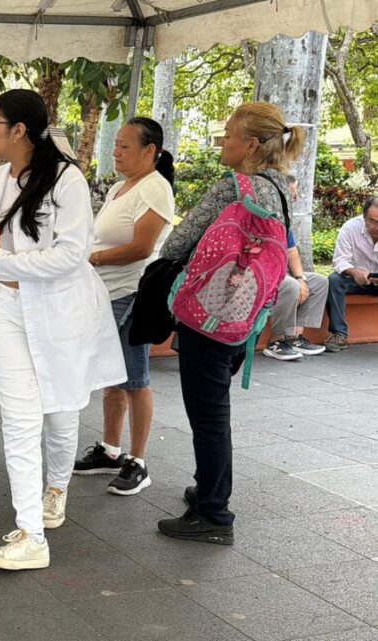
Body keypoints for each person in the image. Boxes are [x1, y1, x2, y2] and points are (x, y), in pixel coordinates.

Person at [0, 89, 125, 571]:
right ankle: (31, 533)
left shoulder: (66, 179)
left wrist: (7, 261)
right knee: (19, 417)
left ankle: (56, 489)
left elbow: (71, 254)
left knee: (60, 408)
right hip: (9, 311)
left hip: (59, 311)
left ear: (19, 130)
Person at [158, 102, 302, 545]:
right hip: (244, 314)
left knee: (209, 414)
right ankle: (206, 490)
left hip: (208, 311)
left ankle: (214, 513)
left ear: (251, 145)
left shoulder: (233, 188)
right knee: (214, 405)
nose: (223, 141)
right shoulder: (281, 190)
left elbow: (179, 242)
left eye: (228, 134)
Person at [72, 117, 175, 497]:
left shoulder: (155, 189)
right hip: (105, 294)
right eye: (115, 144)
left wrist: (93, 260)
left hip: (133, 293)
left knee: (135, 377)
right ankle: (110, 450)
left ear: (151, 151)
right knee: (111, 377)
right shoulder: (121, 186)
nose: (116, 152)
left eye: (125, 146)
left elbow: (142, 248)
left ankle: (138, 460)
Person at [261, 176, 330, 360]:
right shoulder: (263, 217)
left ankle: (294, 337)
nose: (295, 198)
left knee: (319, 282)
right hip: (261, 275)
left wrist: (301, 279)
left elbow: (291, 251)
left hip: (283, 273)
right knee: (289, 285)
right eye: (292, 193)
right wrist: (294, 280)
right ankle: (277, 340)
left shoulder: (285, 220)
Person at [323, 196, 378, 352]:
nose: (375, 227)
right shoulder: (350, 228)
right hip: (356, 280)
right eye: (372, 221)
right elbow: (340, 261)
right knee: (334, 280)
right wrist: (355, 272)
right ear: (364, 216)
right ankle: (339, 334)